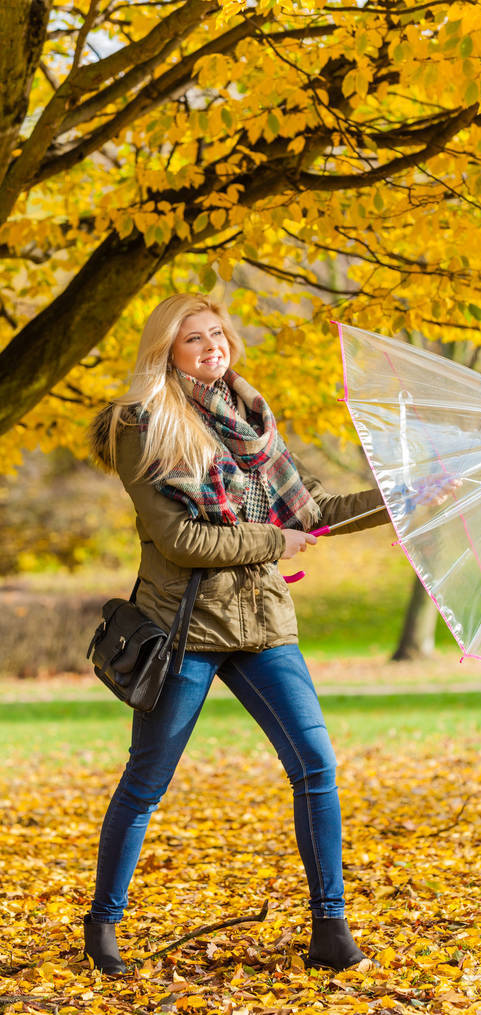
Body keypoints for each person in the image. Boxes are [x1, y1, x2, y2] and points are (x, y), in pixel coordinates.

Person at [85, 293, 389, 976]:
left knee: (316, 765)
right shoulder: (143, 426)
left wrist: (401, 500)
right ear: (167, 349)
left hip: (262, 621)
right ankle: (102, 925)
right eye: (194, 338)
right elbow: (181, 537)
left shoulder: (252, 418)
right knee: (146, 782)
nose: (211, 348)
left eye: (218, 334)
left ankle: (330, 928)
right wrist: (276, 540)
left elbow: (313, 513)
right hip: (186, 628)